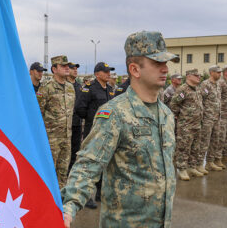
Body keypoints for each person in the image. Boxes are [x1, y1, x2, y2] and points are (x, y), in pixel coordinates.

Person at [62, 30, 179, 228]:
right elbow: (88, 164)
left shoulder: (166, 114)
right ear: (135, 69)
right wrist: (69, 206)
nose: (165, 69)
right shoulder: (114, 113)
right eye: (157, 63)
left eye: (166, 63)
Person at [75, 61, 115, 208]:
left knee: (104, 163)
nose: (108, 74)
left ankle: (100, 193)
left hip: (107, 132)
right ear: (97, 74)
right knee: (90, 164)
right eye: (105, 71)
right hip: (93, 131)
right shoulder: (89, 89)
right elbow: (80, 108)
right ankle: (86, 197)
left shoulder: (110, 89)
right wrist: (92, 119)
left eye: (109, 71)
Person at [36, 55, 75, 189]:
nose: (66, 68)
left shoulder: (70, 87)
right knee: (48, 174)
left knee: (63, 174)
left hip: (66, 139)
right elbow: (38, 114)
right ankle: (47, 204)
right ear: (54, 69)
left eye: (67, 66)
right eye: (63, 66)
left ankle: (60, 203)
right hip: (51, 140)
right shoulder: (46, 88)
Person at [170, 69, 203, 180]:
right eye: (196, 75)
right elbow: (174, 104)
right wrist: (181, 117)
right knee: (183, 148)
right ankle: (182, 169)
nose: (199, 77)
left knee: (195, 148)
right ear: (188, 76)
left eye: (199, 75)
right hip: (186, 125)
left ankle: (191, 167)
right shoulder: (183, 90)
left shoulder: (197, 89)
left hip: (197, 124)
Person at [199, 65, 223, 172]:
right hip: (207, 118)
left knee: (215, 141)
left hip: (216, 117)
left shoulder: (218, 84)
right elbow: (200, 100)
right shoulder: (205, 84)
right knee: (204, 141)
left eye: (220, 72)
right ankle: (199, 164)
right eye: (217, 72)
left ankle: (210, 162)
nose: (219, 74)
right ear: (211, 72)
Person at [66, 62, 83, 172]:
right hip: (66, 125)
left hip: (77, 123)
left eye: (76, 68)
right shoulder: (65, 85)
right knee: (66, 152)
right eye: (73, 68)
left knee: (75, 151)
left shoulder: (79, 86)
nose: (75, 70)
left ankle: (71, 174)